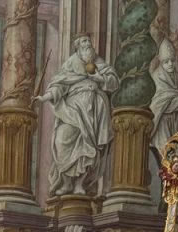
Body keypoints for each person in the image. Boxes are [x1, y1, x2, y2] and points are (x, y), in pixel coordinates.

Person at [38, 35, 119, 196]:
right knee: (62, 139)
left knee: (88, 146)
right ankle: (67, 183)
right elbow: (59, 85)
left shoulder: (99, 63)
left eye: (89, 41)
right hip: (72, 110)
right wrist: (44, 97)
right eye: (83, 42)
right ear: (77, 47)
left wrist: (99, 78)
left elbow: (114, 82)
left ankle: (79, 184)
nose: (88, 44)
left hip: (93, 111)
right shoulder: (70, 64)